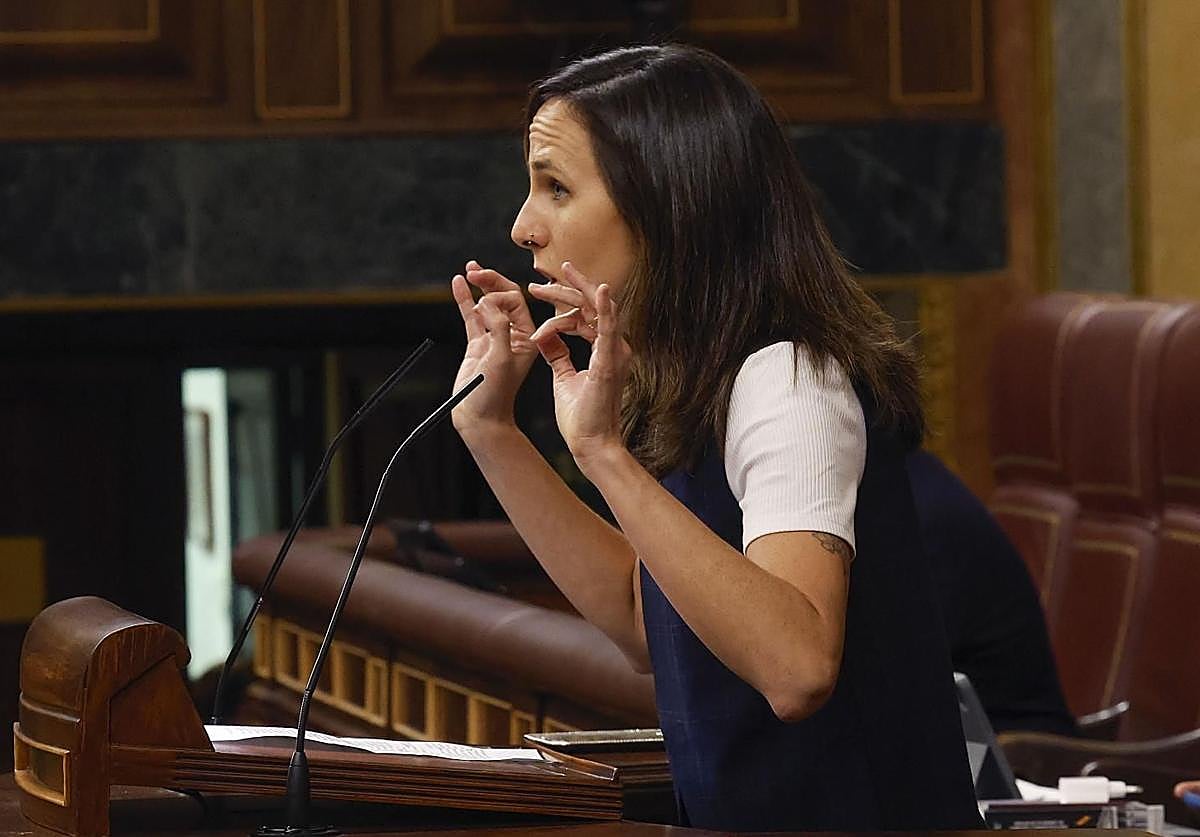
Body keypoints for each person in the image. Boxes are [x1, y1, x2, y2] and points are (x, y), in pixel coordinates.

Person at [448, 44, 980, 831]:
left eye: (556, 186)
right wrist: (490, 430)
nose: (522, 226)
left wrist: (604, 454)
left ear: (670, 204)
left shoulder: (791, 377)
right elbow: (647, 621)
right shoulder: (684, 371)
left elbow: (797, 667)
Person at [907, 450, 1078, 737]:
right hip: (951, 749)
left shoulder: (916, 509)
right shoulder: (906, 481)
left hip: (1016, 761)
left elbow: (902, 679)